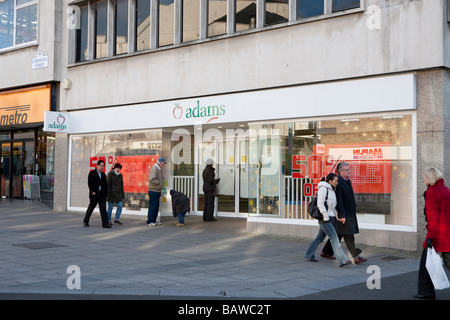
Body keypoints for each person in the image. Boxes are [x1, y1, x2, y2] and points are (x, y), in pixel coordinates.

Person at [321, 162, 367, 264]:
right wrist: (341, 215)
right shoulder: (339, 182)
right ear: (341, 171)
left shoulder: (347, 181)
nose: (349, 171)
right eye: (347, 170)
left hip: (349, 213)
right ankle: (356, 256)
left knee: (338, 234)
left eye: (349, 169)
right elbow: (339, 200)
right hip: (343, 214)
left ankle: (326, 252)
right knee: (349, 235)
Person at [415, 167, 450, 300]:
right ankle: (426, 292)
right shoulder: (446, 190)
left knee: (425, 264)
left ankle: (426, 292)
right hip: (447, 233)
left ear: (430, 178)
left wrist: (429, 238)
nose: (423, 179)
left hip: (437, 234)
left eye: (424, 177)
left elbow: (433, 219)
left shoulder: (432, 193)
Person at [305, 173, 352, 267]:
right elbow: (320, 204)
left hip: (331, 218)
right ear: (330, 180)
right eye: (336, 181)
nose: (337, 183)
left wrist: (337, 216)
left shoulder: (331, 190)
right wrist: (325, 216)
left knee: (319, 238)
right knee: (334, 239)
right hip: (325, 219)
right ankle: (342, 260)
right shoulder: (323, 189)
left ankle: (309, 254)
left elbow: (332, 206)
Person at [83, 159, 111, 228]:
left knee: (103, 209)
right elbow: (90, 183)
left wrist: (106, 194)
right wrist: (92, 191)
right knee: (91, 208)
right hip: (94, 195)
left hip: (102, 195)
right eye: (101, 166)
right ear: (97, 165)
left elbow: (105, 185)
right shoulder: (92, 173)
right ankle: (86, 221)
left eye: (103, 166)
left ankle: (105, 223)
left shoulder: (103, 175)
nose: (102, 167)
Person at [147, 157, 166, 226]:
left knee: (155, 206)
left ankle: (154, 220)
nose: (164, 165)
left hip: (156, 190)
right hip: (154, 190)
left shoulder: (158, 168)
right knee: (153, 206)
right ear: (160, 163)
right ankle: (150, 221)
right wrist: (159, 183)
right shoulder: (155, 168)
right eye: (163, 163)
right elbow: (151, 179)